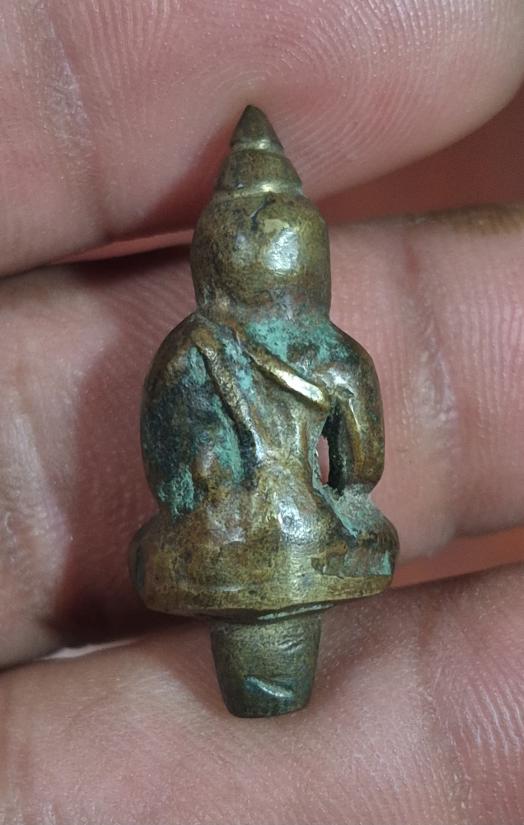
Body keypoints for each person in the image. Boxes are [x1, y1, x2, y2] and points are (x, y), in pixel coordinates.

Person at [0, 0, 522, 821]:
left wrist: (209, 501)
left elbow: (168, 475)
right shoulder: (338, 356)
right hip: (315, 539)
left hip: (212, 541)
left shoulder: (184, 350)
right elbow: (362, 469)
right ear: (307, 259)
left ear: (213, 261)